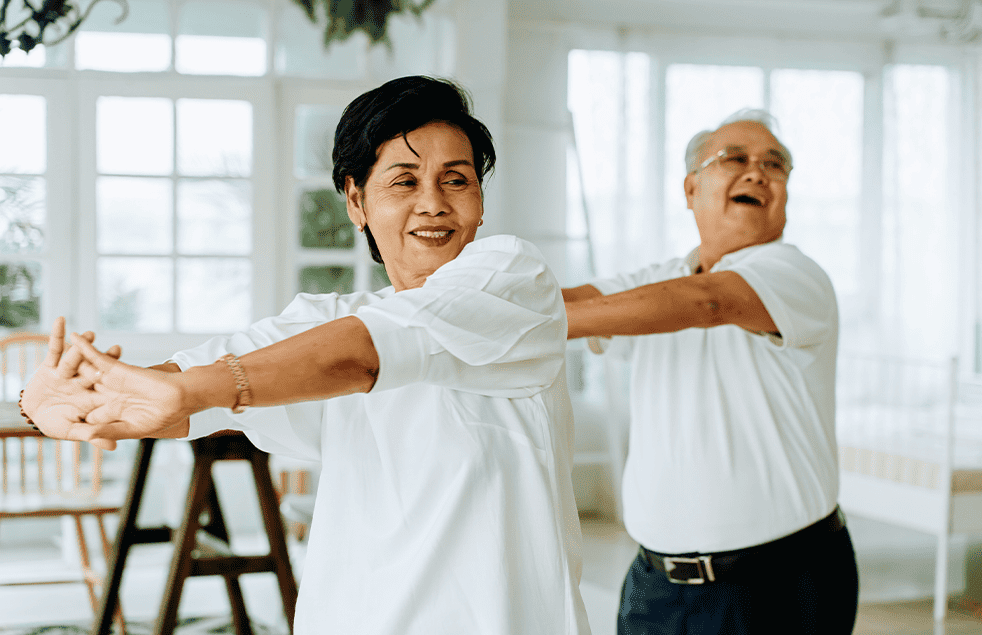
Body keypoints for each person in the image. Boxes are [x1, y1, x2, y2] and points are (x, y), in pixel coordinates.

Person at [22, 75, 591, 635]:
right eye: (404, 182)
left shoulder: (513, 282)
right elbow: (182, 387)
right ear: (355, 200)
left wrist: (193, 389)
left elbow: (361, 355)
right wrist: (53, 397)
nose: (433, 204)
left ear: (480, 200)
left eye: (456, 180)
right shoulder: (325, 321)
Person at [561, 109, 858, 634]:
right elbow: (581, 300)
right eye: (735, 159)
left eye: (775, 164)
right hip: (655, 586)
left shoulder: (794, 274)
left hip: (777, 588)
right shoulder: (660, 279)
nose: (757, 172)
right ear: (691, 188)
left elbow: (707, 303)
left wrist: (544, 319)